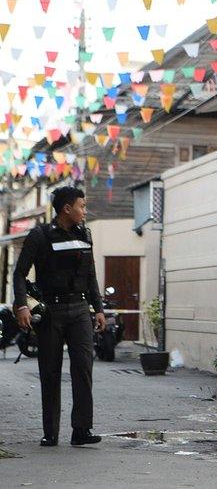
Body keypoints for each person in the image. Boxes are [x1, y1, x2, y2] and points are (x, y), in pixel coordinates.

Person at [13, 186, 105, 447]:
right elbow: (19, 273)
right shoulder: (40, 236)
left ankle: (82, 430)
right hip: (51, 312)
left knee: (83, 369)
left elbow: (91, 276)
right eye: (82, 206)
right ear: (67, 209)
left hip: (79, 311)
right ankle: (50, 432)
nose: (85, 211)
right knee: (50, 372)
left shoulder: (85, 234)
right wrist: (21, 306)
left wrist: (98, 309)